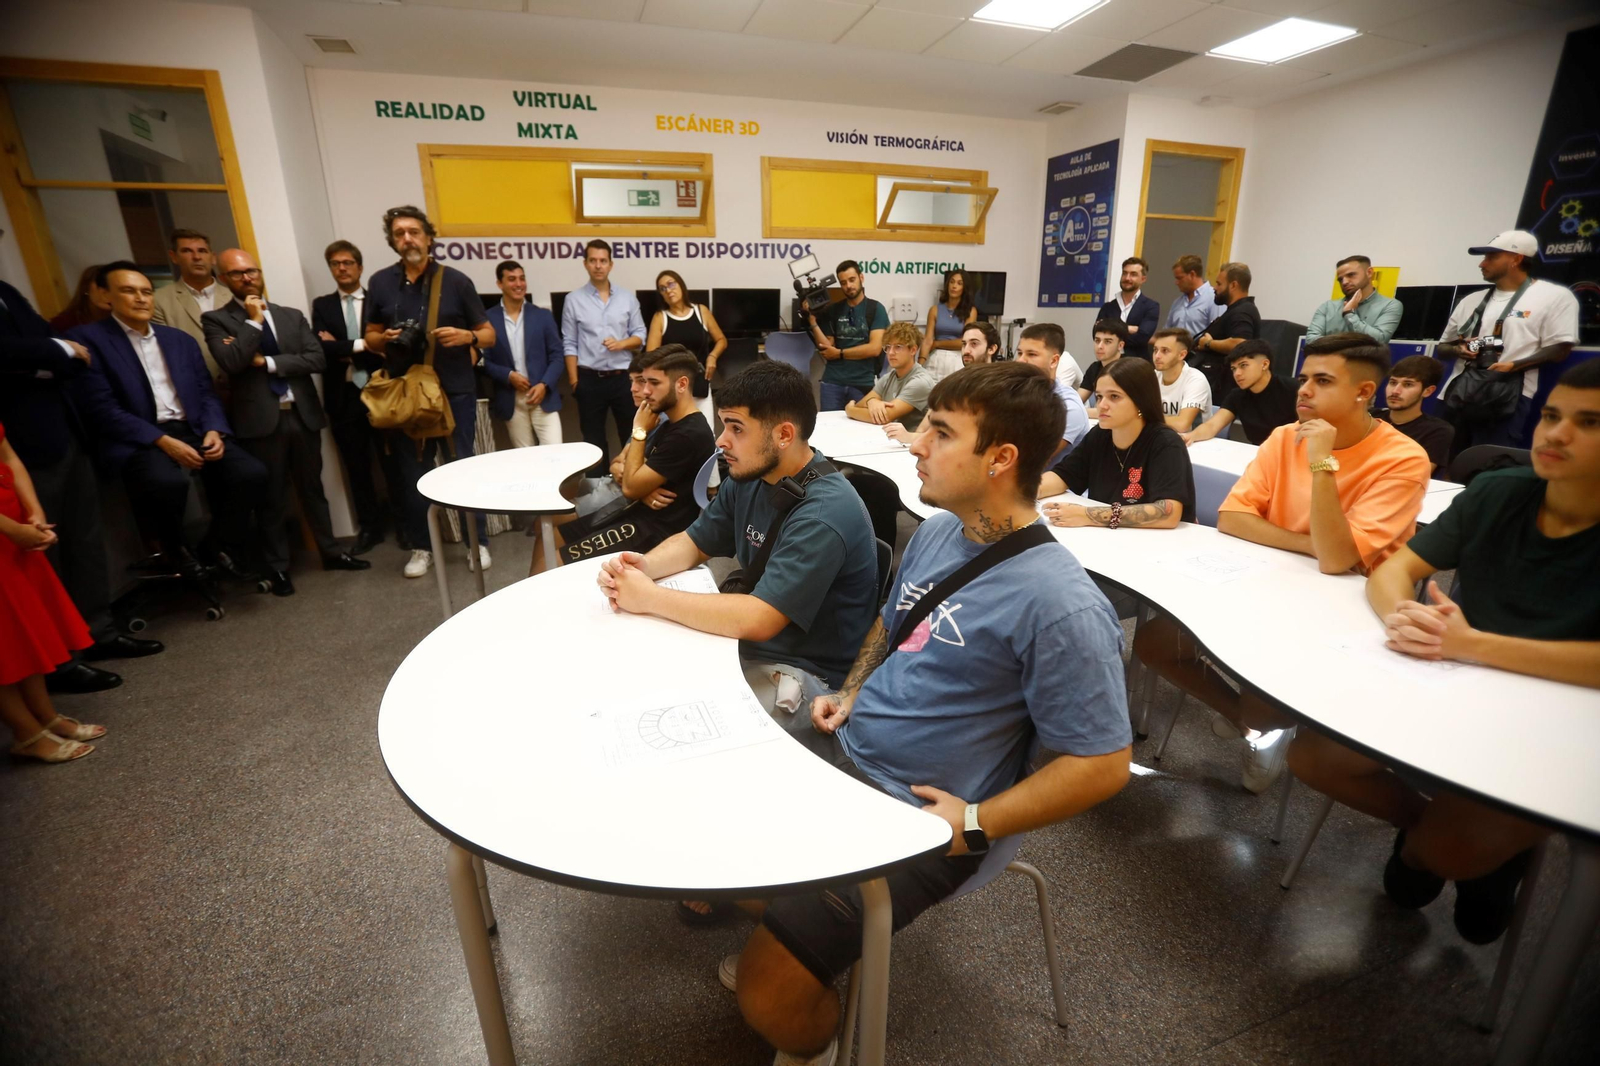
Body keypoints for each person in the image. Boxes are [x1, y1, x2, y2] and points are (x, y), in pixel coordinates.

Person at [714, 361, 1132, 1066]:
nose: (915, 445)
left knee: (767, 994)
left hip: (925, 812)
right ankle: (800, 931)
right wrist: (850, 691)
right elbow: (890, 619)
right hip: (852, 746)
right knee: (714, 837)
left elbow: (1102, 764)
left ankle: (812, 1030)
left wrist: (973, 822)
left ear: (1001, 459)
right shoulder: (942, 531)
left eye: (939, 433)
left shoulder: (1061, 604)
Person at [1290, 360, 1600, 945]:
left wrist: (1472, 644)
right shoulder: (1500, 492)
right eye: (1552, 415)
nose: (1555, 434)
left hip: (1560, 719)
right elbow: (1396, 571)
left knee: (1450, 854)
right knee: (1313, 756)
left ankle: (1462, 851)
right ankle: (1438, 835)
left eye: (1588, 423)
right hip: (1456, 678)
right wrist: (1404, 615)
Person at [1134, 333, 1431, 792]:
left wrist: (1322, 464)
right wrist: (1313, 544)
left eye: (1323, 381)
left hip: (1341, 611)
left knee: (1262, 705)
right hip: (1264, 584)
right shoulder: (1282, 436)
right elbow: (1234, 519)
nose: (1304, 390)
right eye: (1305, 378)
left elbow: (1337, 564)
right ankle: (1255, 730)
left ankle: (1260, 722)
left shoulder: (1403, 459)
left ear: (1364, 392)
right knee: (1153, 643)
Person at [598, 360, 879, 705]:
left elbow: (760, 618)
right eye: (723, 426)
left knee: (668, 701)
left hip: (808, 672)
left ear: (784, 435)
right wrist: (641, 569)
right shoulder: (751, 476)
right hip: (755, 645)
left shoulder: (824, 514)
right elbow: (694, 542)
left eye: (737, 429)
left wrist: (648, 598)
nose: (721, 441)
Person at [1, 277, 160, 695]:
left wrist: (52, 354)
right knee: (42, 552)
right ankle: (58, 660)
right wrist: (57, 353)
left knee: (86, 541)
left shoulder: (8, 290)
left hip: (66, 430)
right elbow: (31, 349)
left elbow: (64, 348)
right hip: (19, 443)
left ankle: (99, 633)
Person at [67, 262, 267, 582]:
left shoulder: (179, 340)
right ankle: (176, 550)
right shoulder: (86, 341)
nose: (141, 299)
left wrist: (214, 429)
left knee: (250, 473)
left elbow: (206, 393)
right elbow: (101, 409)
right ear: (105, 296)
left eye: (146, 292)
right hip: (140, 437)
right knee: (168, 482)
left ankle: (215, 545)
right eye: (128, 291)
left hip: (193, 428)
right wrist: (162, 442)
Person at [202, 249, 369, 596]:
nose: (247, 278)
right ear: (223, 279)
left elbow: (316, 359)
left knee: (313, 490)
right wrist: (252, 323)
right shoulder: (217, 320)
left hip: (302, 414)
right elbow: (232, 361)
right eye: (237, 274)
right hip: (261, 422)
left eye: (251, 271)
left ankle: (332, 552)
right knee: (271, 497)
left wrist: (265, 362)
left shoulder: (291, 316)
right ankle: (278, 567)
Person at [363, 205, 497, 579]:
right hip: (407, 393)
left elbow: (488, 334)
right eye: (399, 233)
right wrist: (383, 339)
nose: (407, 239)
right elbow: (370, 335)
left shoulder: (456, 281)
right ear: (393, 240)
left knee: (464, 470)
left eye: (414, 232)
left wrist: (466, 336)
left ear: (429, 237)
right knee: (413, 476)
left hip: (454, 392)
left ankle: (478, 542)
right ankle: (423, 547)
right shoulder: (380, 283)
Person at [0, 422, 107, 763]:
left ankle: (44, 716)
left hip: (13, 520)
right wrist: (12, 530)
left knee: (24, 630)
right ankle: (25, 733)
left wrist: (33, 511)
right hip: (6, 529)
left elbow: (7, 454)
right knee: (4, 641)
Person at [561, 346, 715, 562]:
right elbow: (628, 470)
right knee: (554, 536)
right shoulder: (668, 423)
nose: (644, 391)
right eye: (645, 382)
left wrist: (639, 431)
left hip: (656, 531)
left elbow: (631, 486)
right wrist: (642, 486)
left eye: (654, 383)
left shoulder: (687, 433)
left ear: (681, 384)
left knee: (559, 555)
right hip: (637, 514)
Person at [1436, 229, 1578, 455]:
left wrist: (1514, 365)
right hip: (1457, 395)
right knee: (1443, 462)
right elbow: (1441, 348)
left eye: (1491, 257)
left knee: (1489, 464)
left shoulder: (1554, 296)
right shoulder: (1471, 300)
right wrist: (1458, 349)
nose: (1482, 264)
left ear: (1516, 259)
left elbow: (1561, 348)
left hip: (1506, 397)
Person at [1038, 357, 1195, 530]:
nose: (1102, 405)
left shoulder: (1166, 443)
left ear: (1140, 401)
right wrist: (1022, 492)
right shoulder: (1101, 434)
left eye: (1114, 396)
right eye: (1099, 397)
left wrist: (1088, 515)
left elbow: (1168, 513)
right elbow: (1063, 476)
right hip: (1112, 538)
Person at [312, 239, 395, 555]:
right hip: (344, 398)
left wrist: (344, 347)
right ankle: (370, 529)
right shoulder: (323, 305)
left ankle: (404, 527)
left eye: (348, 262)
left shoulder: (380, 302)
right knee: (357, 468)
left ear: (360, 267)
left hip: (383, 393)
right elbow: (321, 350)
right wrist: (365, 345)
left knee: (392, 465)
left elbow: (390, 347)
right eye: (335, 263)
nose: (342, 268)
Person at [563, 240, 647, 475]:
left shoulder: (627, 298)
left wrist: (622, 344)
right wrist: (574, 382)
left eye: (603, 261)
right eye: (593, 261)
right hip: (589, 379)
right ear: (585, 264)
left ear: (611, 264)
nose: (598, 266)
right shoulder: (573, 300)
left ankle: (633, 485)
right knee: (593, 441)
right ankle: (597, 498)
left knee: (632, 435)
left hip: (623, 379)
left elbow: (641, 334)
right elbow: (569, 343)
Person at [483, 260, 564, 449]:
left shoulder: (542, 316)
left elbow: (557, 356)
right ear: (499, 284)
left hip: (543, 396)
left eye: (521, 279)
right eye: (511, 279)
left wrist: (544, 385)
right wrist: (508, 375)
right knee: (524, 459)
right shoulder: (487, 318)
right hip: (511, 398)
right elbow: (482, 361)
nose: (518, 284)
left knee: (556, 453)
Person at [646, 269, 726, 424]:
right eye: (663, 288)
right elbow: (651, 356)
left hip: (699, 383)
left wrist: (712, 356)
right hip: (673, 389)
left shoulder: (701, 311)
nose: (668, 290)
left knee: (707, 432)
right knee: (678, 435)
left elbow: (721, 339)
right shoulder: (660, 318)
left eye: (671, 284)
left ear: (680, 285)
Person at [1181, 338, 1296, 446]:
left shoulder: (1293, 390)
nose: (1237, 373)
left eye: (1243, 365)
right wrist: (1190, 436)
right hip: (1259, 454)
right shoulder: (1237, 396)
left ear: (1264, 364)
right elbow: (1212, 426)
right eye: (1234, 369)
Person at [151, 228, 228, 390]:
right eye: (187, 251)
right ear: (174, 257)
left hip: (240, 387)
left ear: (213, 258)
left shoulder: (234, 297)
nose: (197, 257)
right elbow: (166, 350)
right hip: (192, 388)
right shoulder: (158, 300)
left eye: (202, 251)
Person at [807, 260, 888, 412]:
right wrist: (813, 321)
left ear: (861, 278)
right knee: (829, 427)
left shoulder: (876, 309)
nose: (848, 286)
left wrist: (840, 353)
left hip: (862, 382)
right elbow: (827, 347)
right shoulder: (834, 310)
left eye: (852, 280)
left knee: (860, 430)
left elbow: (875, 349)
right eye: (843, 282)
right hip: (832, 381)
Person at [845, 321, 934, 432]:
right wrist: (872, 401)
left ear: (913, 350)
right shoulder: (889, 377)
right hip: (890, 438)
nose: (891, 352)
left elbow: (884, 417)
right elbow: (860, 406)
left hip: (912, 442)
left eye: (898, 347)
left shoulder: (920, 382)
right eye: (888, 347)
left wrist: (849, 410)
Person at [1013, 323, 1089, 452]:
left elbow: (1030, 462)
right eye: (1019, 353)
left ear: (1053, 361)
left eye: (1031, 354)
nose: (1021, 360)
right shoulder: (1016, 392)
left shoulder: (1068, 407)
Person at [1191, 262, 1260, 402]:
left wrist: (1209, 343)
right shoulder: (1235, 310)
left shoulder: (1242, 311)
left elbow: (1240, 343)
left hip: (1222, 390)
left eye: (1219, 284)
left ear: (1233, 285)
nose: (1215, 289)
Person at [1378, 355, 1455, 476]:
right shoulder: (1370, 417)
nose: (1395, 391)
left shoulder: (1437, 430)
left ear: (1428, 391)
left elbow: (1418, 475)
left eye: (1408, 385)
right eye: (1393, 383)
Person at [1306, 255, 1402, 344]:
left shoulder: (1390, 305)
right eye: (1340, 279)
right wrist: (1348, 344)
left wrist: (1349, 313)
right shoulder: (1327, 307)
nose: (1344, 282)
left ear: (1369, 273)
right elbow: (1311, 341)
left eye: (1351, 275)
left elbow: (1378, 341)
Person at [1149, 328, 1211, 432]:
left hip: (1193, 442)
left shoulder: (1196, 380)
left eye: (1165, 351)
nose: (1157, 356)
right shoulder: (1151, 376)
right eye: (1155, 350)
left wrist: (1145, 418)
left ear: (1182, 355)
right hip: (1160, 436)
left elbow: (1182, 425)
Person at [919, 268, 976, 381]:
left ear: (964, 288)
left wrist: (937, 343)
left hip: (958, 359)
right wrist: (919, 366)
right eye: (952, 282)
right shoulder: (935, 310)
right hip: (935, 358)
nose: (954, 286)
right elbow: (927, 341)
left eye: (959, 283)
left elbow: (964, 342)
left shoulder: (970, 311)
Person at [1098, 257, 1160, 359]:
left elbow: (1142, 337)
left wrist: (1111, 335)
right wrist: (1127, 328)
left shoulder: (1151, 306)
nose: (1127, 278)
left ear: (1143, 279)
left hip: (1136, 364)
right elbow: (1097, 332)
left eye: (1133, 274)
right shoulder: (1107, 307)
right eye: (1124, 273)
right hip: (1107, 362)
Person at [1165, 254, 1221, 337]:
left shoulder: (1214, 298)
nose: (1176, 282)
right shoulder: (1177, 302)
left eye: (1179, 278)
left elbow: (1217, 334)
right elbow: (1167, 332)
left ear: (1192, 274)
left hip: (1200, 349)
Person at [47, 265, 110, 333]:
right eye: (101, 285)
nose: (107, 292)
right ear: (86, 288)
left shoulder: (119, 320)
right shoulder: (64, 323)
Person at [1079, 318, 1127, 406]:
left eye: (1107, 342)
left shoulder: (1130, 368)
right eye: (1097, 341)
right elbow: (1077, 401)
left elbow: (1120, 409)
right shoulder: (1094, 368)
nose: (1100, 346)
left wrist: (1083, 411)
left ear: (1120, 345)